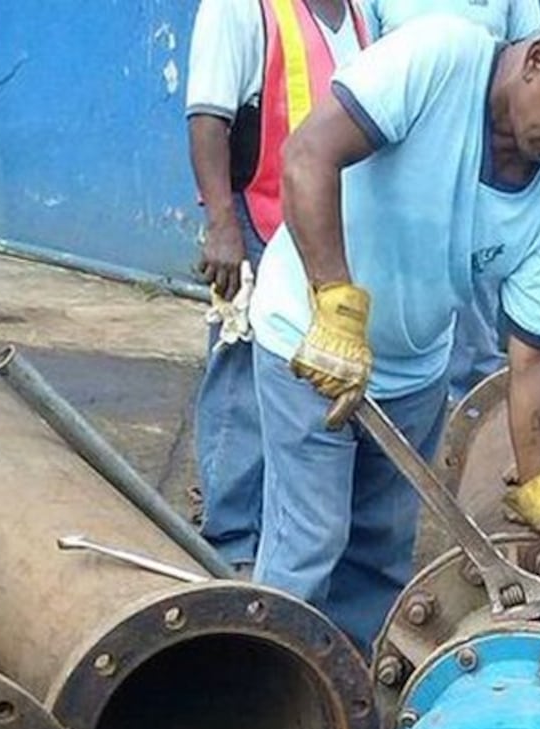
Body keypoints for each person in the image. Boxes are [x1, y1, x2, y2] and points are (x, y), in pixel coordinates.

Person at [245, 0, 540, 652]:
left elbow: (537, 352)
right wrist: (335, 307)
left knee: (379, 561)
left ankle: (346, 703)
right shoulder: (437, 56)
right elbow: (307, 156)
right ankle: (266, 699)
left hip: (412, 371)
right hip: (308, 337)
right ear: (539, 59)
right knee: (309, 543)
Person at [185, 0, 370, 570]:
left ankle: (273, 532)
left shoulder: (360, 12)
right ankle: (231, 543)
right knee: (242, 377)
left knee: (297, 387)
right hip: (260, 225)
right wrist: (221, 224)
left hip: (325, 233)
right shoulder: (241, 8)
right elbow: (208, 117)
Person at [362, 0, 540, 401]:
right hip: (401, 170)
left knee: (470, 339)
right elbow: (359, 59)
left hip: (482, 177)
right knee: (382, 319)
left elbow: (530, 56)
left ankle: (464, 436)